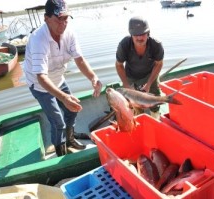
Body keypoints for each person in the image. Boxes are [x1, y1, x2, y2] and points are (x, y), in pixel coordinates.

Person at [23, 0, 102, 157]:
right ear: (46, 18)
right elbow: (41, 77)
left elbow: (79, 59)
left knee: (72, 110)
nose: (63, 23)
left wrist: (93, 77)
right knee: (58, 122)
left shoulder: (69, 33)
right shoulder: (39, 39)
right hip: (40, 85)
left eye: (66, 18)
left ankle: (70, 139)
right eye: (59, 18)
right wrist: (64, 97)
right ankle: (61, 152)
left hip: (58, 79)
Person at [115, 16, 164, 119]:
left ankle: (155, 118)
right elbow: (119, 65)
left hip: (150, 74)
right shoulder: (124, 45)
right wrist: (126, 85)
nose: (139, 38)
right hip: (131, 76)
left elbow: (159, 64)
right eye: (136, 35)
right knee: (136, 105)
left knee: (154, 101)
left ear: (148, 33)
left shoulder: (156, 45)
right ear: (131, 35)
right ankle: (140, 120)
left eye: (142, 34)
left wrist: (149, 84)